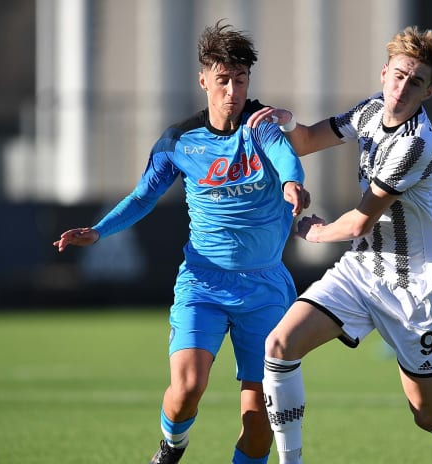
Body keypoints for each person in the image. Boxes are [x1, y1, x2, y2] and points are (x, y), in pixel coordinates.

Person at [53, 20, 310, 464]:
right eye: (224, 80)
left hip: (265, 288)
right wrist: (99, 231)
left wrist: (291, 183)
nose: (233, 91)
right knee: (187, 389)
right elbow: (142, 197)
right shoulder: (178, 141)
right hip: (203, 284)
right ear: (204, 80)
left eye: (241, 80)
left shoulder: (261, 125)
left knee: (259, 423)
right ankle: (172, 447)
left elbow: (286, 155)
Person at [247, 26, 432, 463]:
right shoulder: (370, 110)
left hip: (413, 290)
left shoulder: (415, 145)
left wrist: (314, 232)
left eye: (416, 81)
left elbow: (359, 221)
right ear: (385, 73)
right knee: (279, 346)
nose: (403, 87)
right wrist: (277, 125)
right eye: (399, 75)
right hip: (362, 272)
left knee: (429, 413)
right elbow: (309, 139)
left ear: (429, 92)